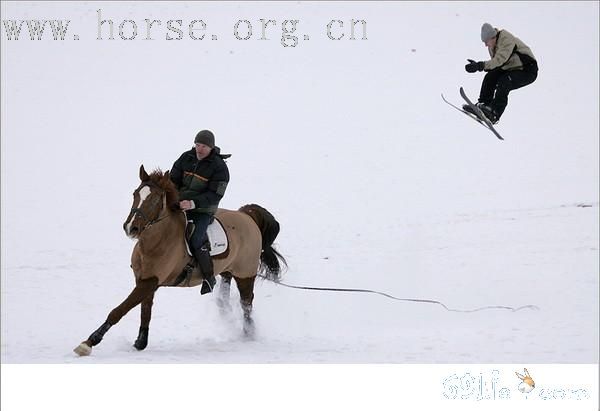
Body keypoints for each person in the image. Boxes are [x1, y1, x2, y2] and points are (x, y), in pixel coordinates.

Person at [170, 130, 230, 294]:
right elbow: (173, 180)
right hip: (180, 204)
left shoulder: (219, 168)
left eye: (203, 146)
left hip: (203, 210)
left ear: (211, 147)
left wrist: (192, 203)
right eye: (197, 144)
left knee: (196, 238)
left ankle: (209, 277)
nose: (199, 149)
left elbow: (215, 194)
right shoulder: (186, 157)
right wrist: (172, 197)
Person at [464, 23, 538, 124]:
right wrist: (479, 66)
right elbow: (495, 66)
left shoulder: (506, 39)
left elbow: (499, 60)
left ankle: (495, 113)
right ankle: (483, 105)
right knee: (490, 76)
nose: (485, 45)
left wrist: (480, 66)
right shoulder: (492, 46)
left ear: (492, 37)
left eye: (486, 41)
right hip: (512, 68)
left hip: (527, 70)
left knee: (505, 81)